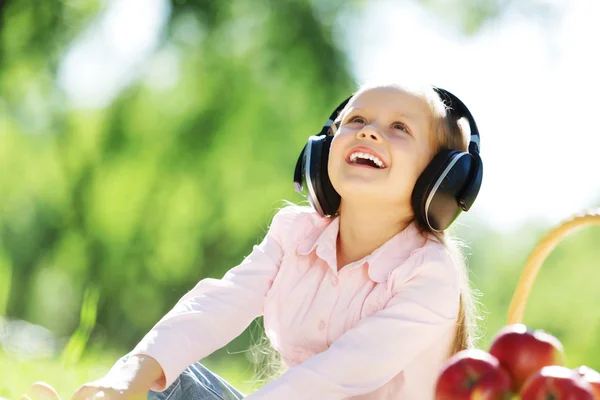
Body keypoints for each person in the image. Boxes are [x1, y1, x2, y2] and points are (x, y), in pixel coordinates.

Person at [25, 82, 484, 400]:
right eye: (356, 119)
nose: (368, 131)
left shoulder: (428, 274)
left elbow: (334, 377)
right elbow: (215, 306)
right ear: (322, 149)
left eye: (399, 128)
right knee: (166, 375)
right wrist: (128, 378)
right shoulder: (294, 234)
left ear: (441, 179)